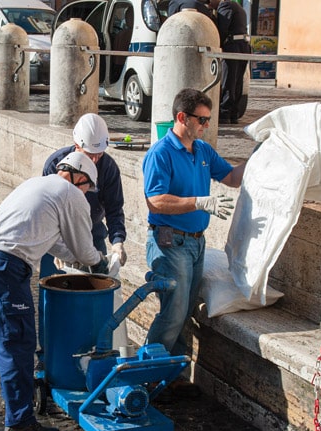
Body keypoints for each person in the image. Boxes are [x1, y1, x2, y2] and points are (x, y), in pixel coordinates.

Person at [0, 152, 110, 431]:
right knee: (17, 341)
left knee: (2, 339)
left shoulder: (38, 184)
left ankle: (15, 404)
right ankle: (20, 423)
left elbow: (58, 243)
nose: (86, 194)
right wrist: (98, 262)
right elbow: (84, 250)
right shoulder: (72, 194)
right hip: (5, 263)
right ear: (79, 178)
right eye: (87, 188)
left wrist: (80, 258)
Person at [141, 88, 245, 356]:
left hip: (196, 243)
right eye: (202, 120)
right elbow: (156, 201)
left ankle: (171, 374)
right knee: (173, 312)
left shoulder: (203, 151)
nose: (206, 125)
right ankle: (148, 375)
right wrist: (199, 202)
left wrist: (258, 156)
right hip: (169, 241)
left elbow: (232, 179)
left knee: (185, 310)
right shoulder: (161, 154)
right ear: (181, 117)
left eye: (208, 119)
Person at [39, 113, 127, 277]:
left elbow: (114, 209)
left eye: (99, 154)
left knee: (97, 284)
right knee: (54, 291)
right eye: (89, 154)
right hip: (56, 235)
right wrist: (57, 247)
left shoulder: (108, 168)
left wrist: (117, 241)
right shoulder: (55, 164)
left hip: (92, 233)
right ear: (76, 145)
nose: (93, 160)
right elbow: (46, 211)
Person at [216, 0, 251, 124]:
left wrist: (216, 44)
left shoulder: (226, 5)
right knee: (237, 81)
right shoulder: (238, 6)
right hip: (243, 45)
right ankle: (233, 113)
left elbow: (222, 29)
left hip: (233, 45)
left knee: (229, 80)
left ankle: (225, 112)